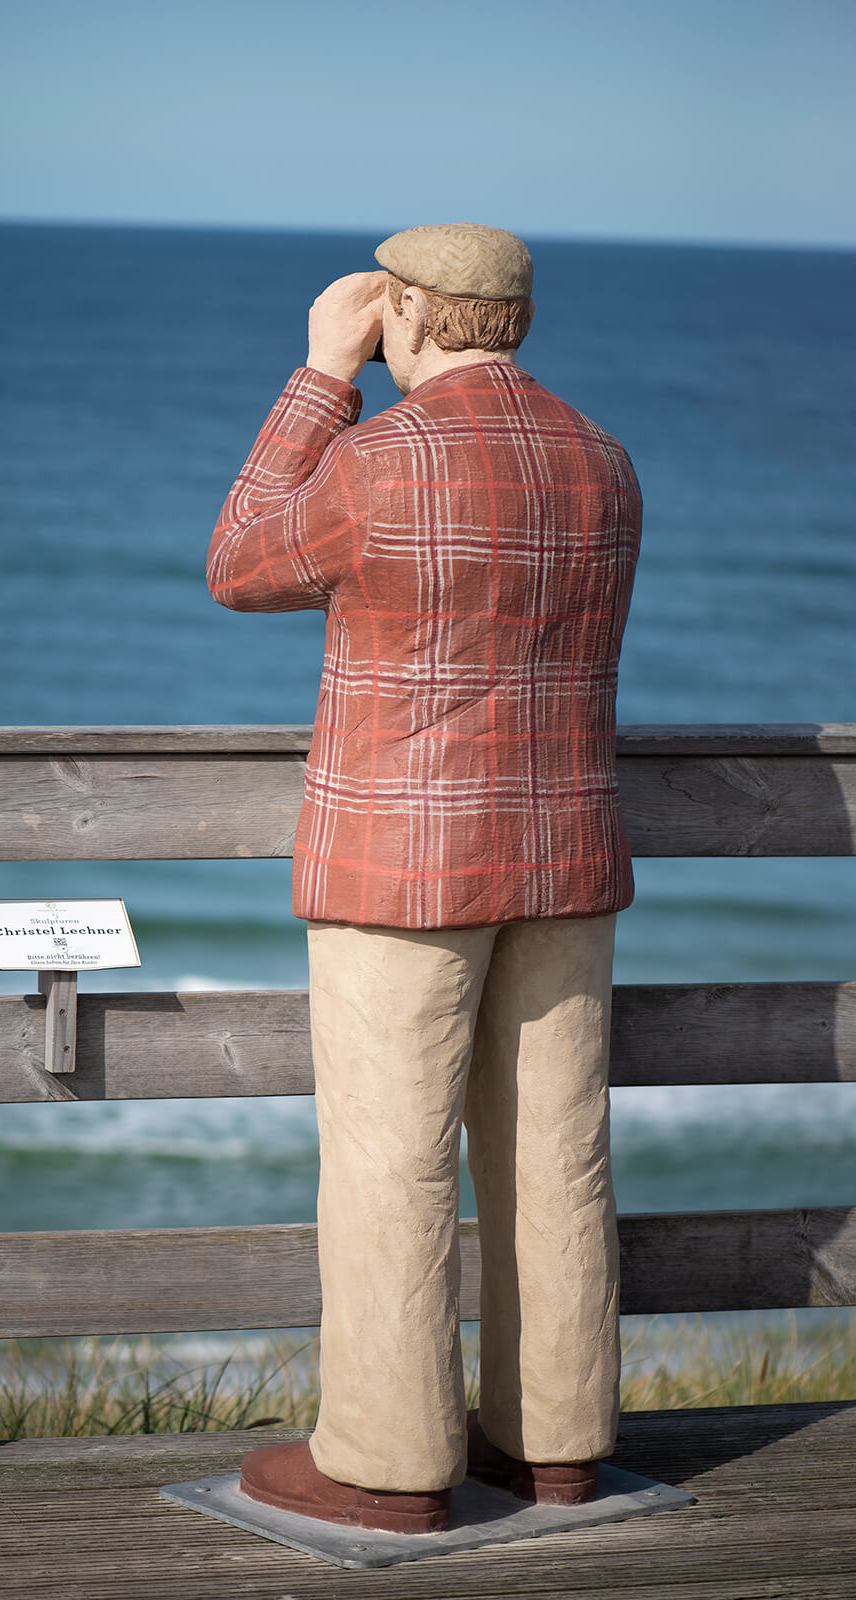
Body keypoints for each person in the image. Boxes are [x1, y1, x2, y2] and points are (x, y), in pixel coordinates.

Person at [206, 223, 642, 1535]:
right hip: (565, 855)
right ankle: (556, 1447)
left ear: (407, 310)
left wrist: (319, 376)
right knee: (557, 1156)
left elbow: (239, 564)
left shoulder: (377, 461)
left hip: (400, 867)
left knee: (394, 1165)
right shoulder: (604, 463)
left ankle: (390, 1468)